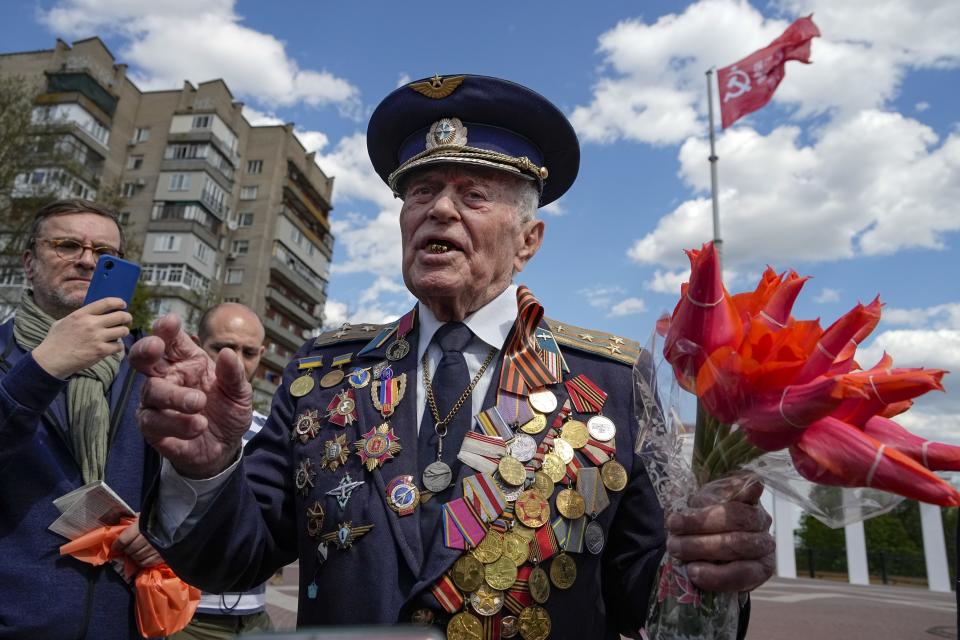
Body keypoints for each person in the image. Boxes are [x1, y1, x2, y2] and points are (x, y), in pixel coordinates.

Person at [133, 75, 774, 638]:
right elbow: (233, 559)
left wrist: (711, 568)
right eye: (421, 192)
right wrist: (208, 471)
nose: (439, 207)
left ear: (528, 240)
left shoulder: (608, 378)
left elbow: (643, 599)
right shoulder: (325, 373)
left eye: (473, 194)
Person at [0, 199, 160, 639]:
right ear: (29, 263)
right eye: (67, 245)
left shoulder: (145, 362)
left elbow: (181, 479)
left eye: (105, 254)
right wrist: (42, 367)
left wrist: (163, 526)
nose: (87, 260)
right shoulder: (5, 355)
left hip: (124, 622)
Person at [169, 302, 273, 638]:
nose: (235, 362)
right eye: (223, 347)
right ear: (198, 342)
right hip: (181, 615)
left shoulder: (270, 431)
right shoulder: (166, 421)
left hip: (254, 618)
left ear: (263, 353)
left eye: (248, 351)